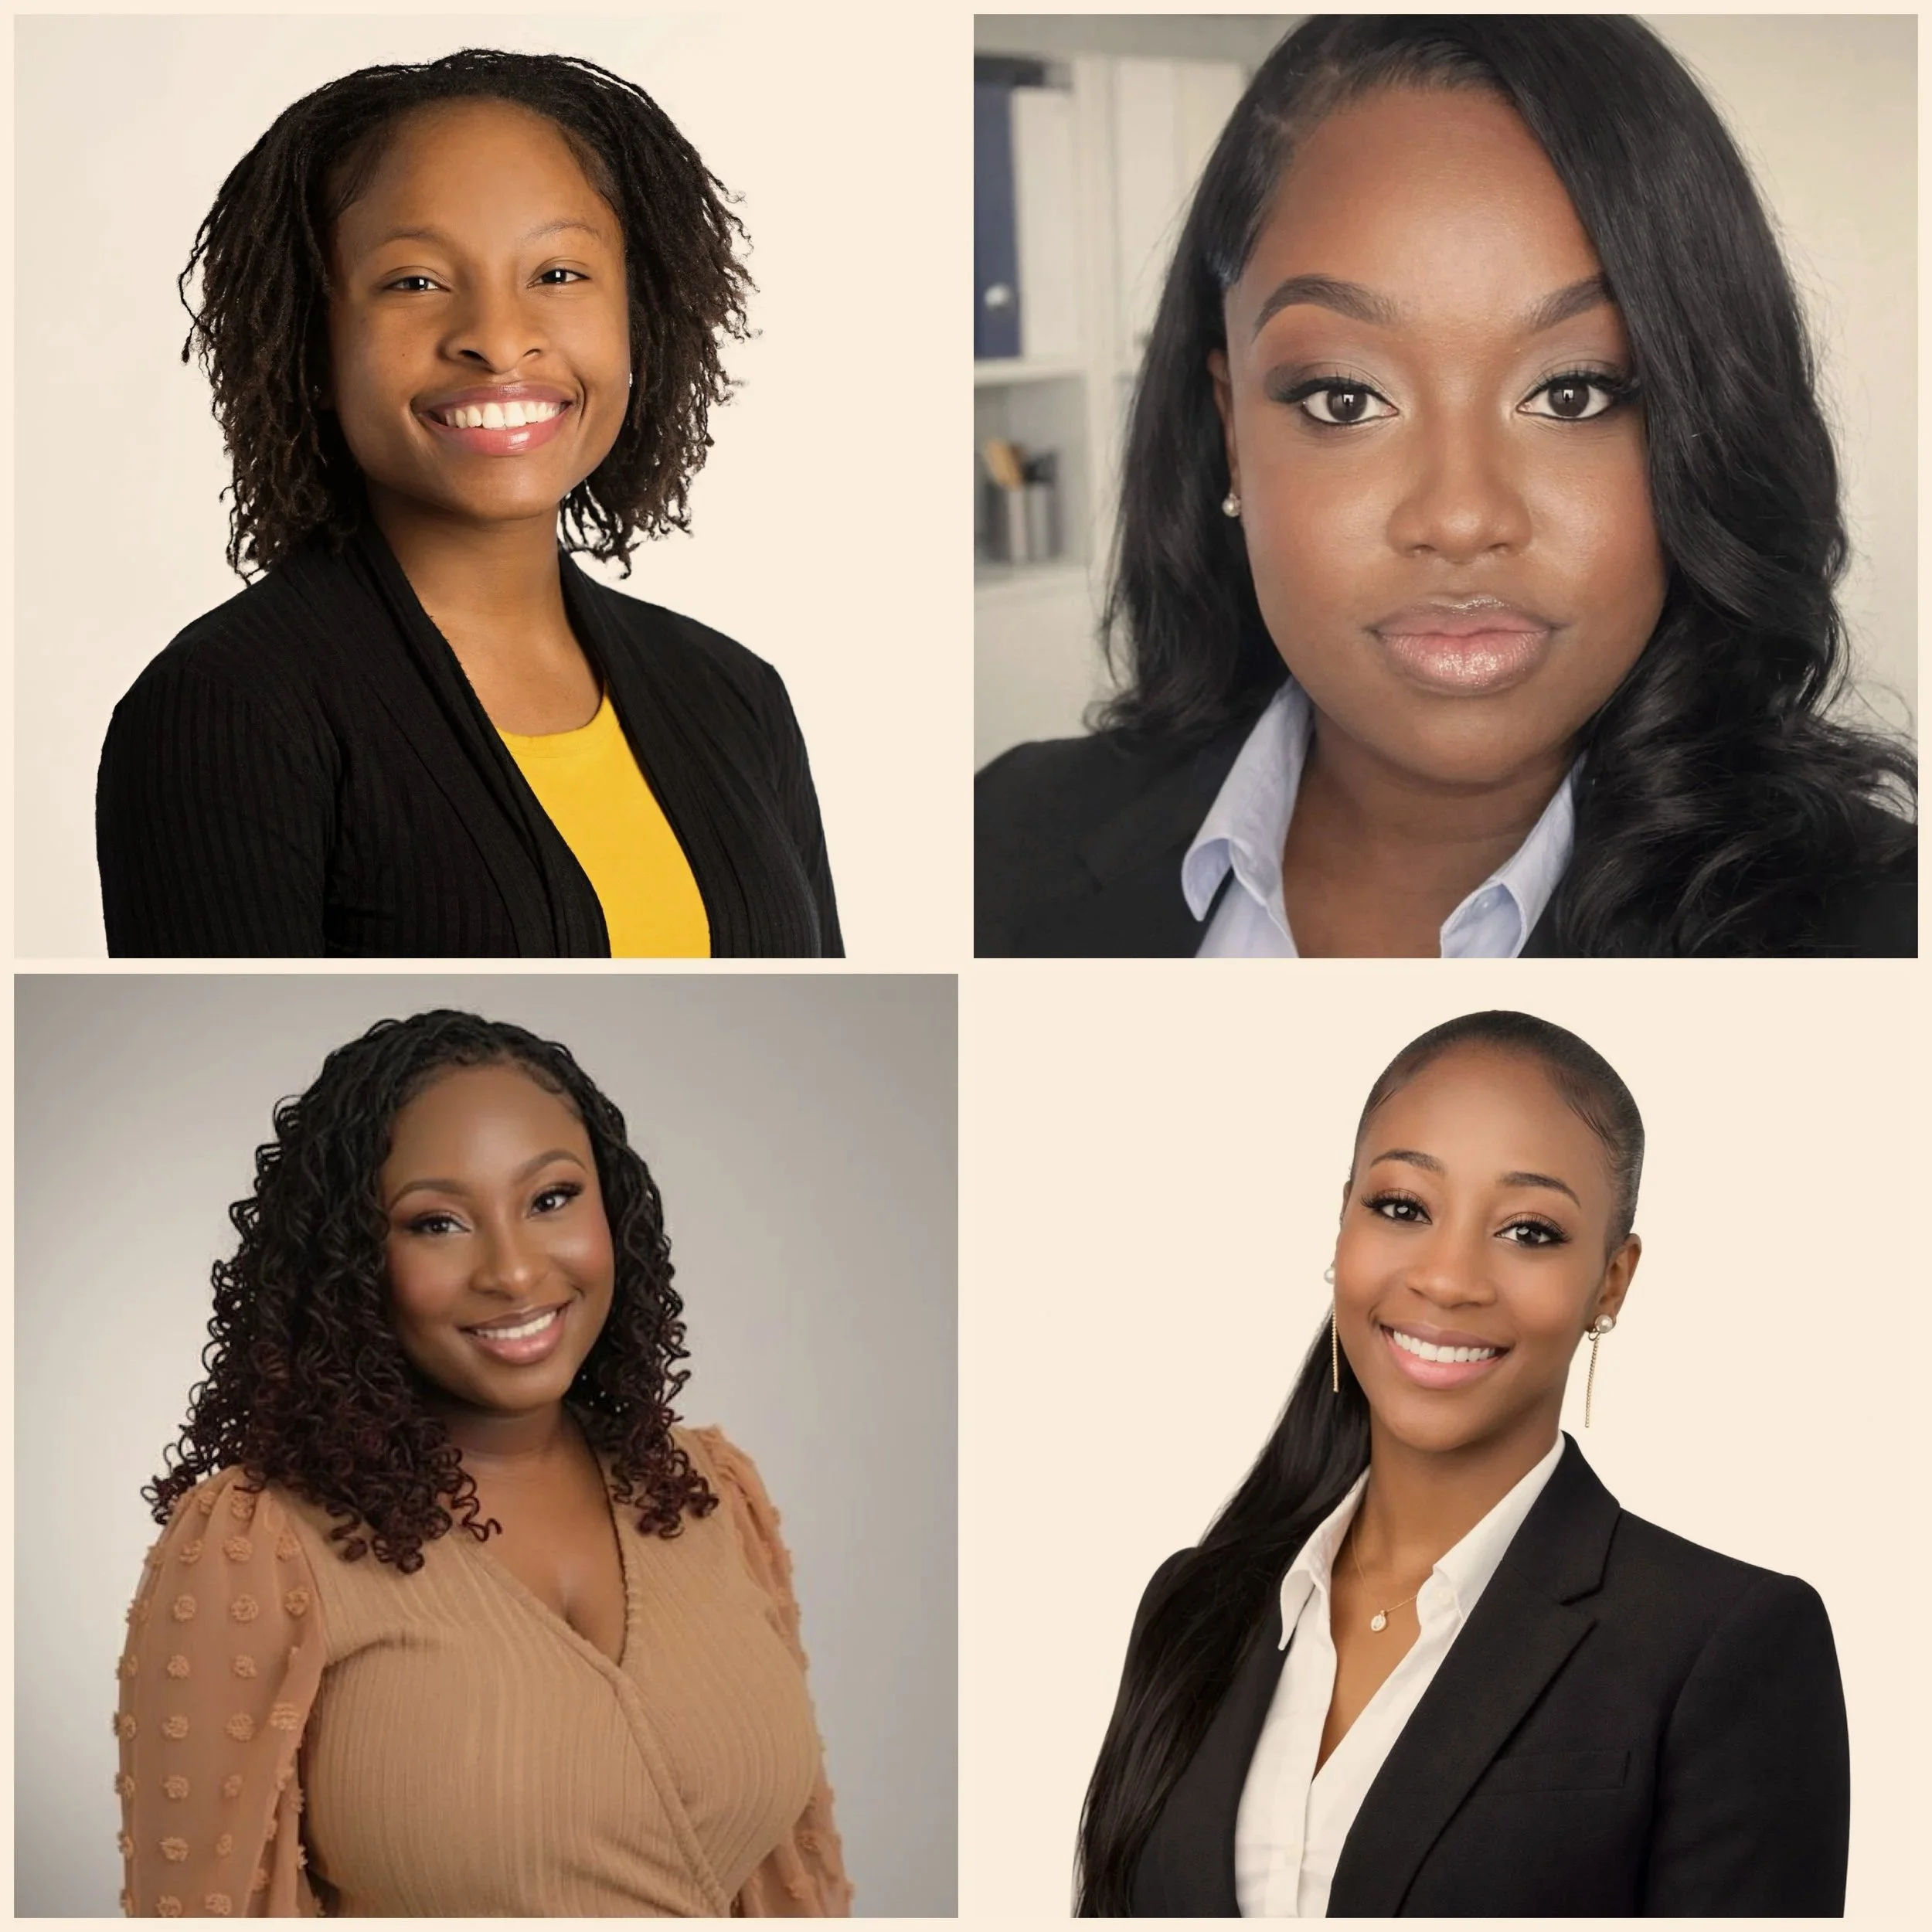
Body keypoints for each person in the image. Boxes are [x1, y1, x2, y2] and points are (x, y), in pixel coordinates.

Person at [977, 15, 1915, 957]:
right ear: (1230, 430)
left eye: (1574, 392)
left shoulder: (1880, 937)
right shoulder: (999, 841)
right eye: (1344, 399)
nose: (1462, 520)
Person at [1077, 1010, 1849, 1916]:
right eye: (1402, 1208)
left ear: (1612, 1278)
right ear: (1342, 1226)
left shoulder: (1726, 1642)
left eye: (1528, 1230)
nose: (1447, 1278)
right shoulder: (1194, 1605)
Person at [97, 50, 839, 957]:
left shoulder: (734, 696)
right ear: (312, 345)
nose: (496, 340)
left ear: (639, 318)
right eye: (415, 282)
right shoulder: (226, 711)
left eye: (559, 275)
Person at [114, 1011, 852, 1917]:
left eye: (550, 1199)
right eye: (436, 1222)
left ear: (612, 1208)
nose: (511, 1271)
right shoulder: (254, 1544)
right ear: (350, 1263)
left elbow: (793, 1886)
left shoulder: (706, 1492)